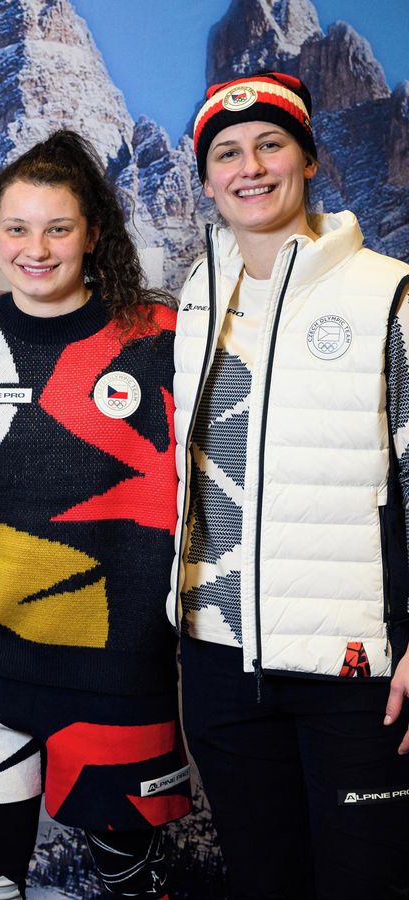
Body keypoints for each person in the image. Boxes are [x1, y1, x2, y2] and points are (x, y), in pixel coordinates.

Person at [0, 130, 190, 899]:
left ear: (93, 234)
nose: (35, 249)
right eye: (16, 228)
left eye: (58, 228)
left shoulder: (161, 339)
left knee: (132, 886)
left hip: (119, 669)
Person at [174, 71, 409, 898]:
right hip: (219, 658)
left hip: (353, 670)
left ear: (308, 159)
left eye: (270, 145)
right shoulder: (198, 296)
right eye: (227, 154)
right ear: (207, 180)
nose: (250, 168)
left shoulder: (388, 293)